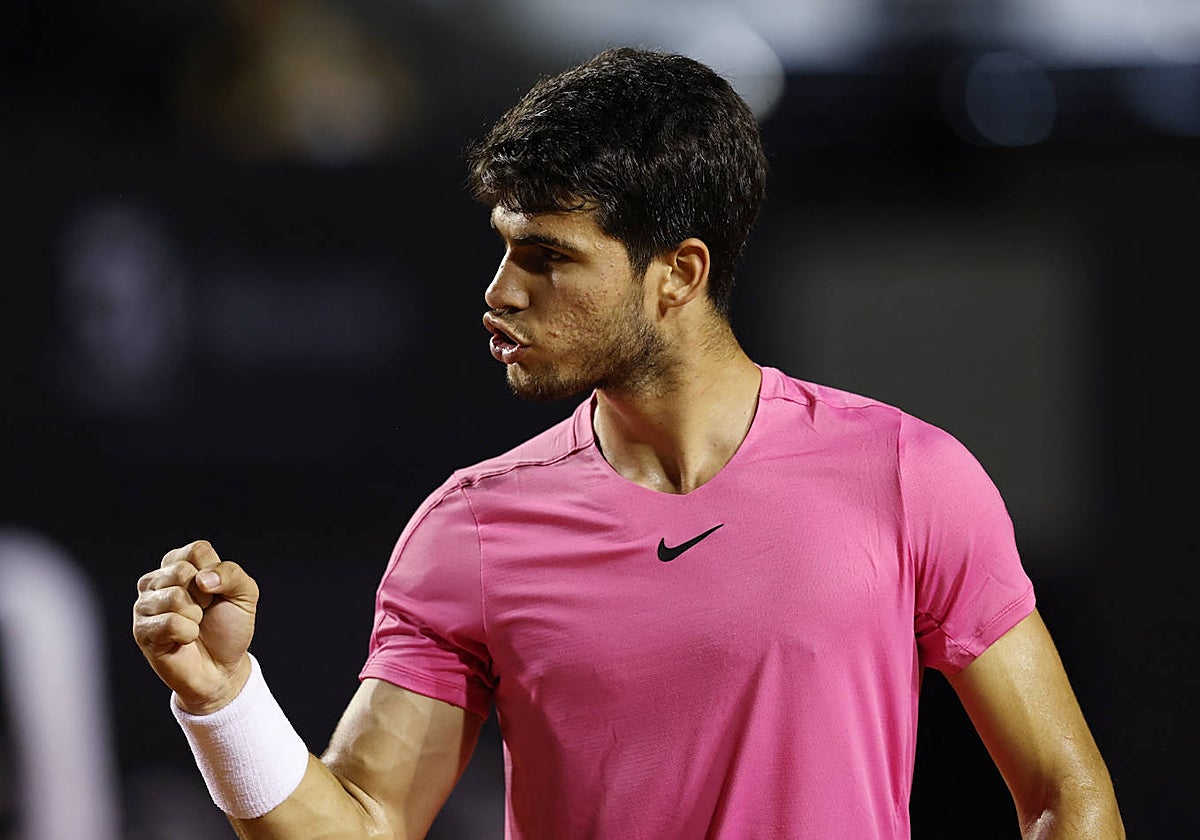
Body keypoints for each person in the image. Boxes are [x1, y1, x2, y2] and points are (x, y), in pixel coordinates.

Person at [132, 47, 1125, 839]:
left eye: (548, 258)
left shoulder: (910, 478)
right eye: (504, 249)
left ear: (677, 275)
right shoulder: (472, 526)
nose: (500, 293)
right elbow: (367, 825)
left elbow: (1067, 799)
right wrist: (225, 701)